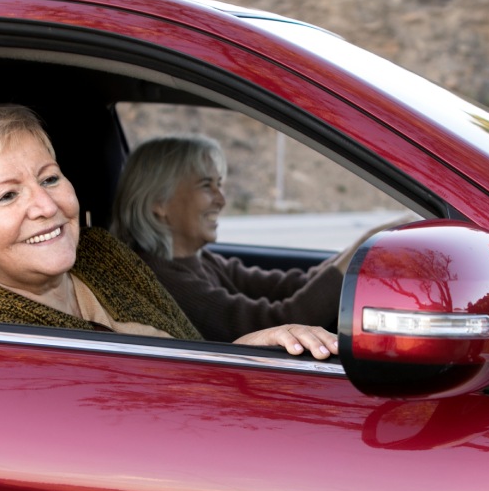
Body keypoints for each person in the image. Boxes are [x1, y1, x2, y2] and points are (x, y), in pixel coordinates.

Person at [0, 105, 337, 359]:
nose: (45, 206)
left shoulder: (99, 251)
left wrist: (244, 351)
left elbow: (184, 350)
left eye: (50, 179)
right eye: (7, 196)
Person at [112, 134, 406, 342]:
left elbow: (294, 286)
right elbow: (277, 322)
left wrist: (365, 245)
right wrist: (370, 246)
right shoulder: (162, 279)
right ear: (159, 203)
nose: (221, 200)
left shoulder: (200, 261)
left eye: (220, 185)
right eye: (206, 186)